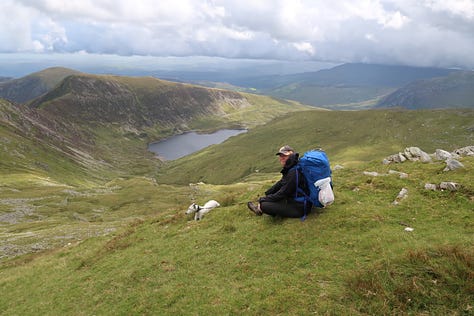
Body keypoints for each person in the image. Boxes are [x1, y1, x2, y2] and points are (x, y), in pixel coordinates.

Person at [247, 145, 310, 218]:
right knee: (269, 199)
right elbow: (280, 183)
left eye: (284, 156)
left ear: (291, 156)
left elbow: (283, 192)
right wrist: (267, 193)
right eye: (280, 156)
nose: (281, 158)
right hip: (295, 201)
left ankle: (259, 209)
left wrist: (263, 199)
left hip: (300, 207)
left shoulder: (293, 172)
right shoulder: (292, 168)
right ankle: (262, 206)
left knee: (264, 205)